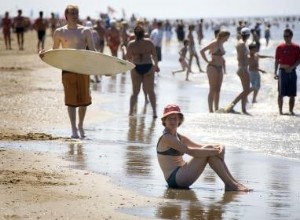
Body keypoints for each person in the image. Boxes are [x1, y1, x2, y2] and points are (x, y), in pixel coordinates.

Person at [157, 104, 251, 191]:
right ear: (164, 120)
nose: (173, 121)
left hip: (182, 174)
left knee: (210, 150)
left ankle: (233, 183)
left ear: (180, 120)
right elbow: (191, 152)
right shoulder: (167, 138)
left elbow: (200, 146)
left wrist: (220, 146)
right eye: (169, 118)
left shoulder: (179, 136)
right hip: (175, 179)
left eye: (175, 118)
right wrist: (215, 151)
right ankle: (230, 184)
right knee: (210, 151)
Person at [45, 4, 96, 138]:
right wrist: (44, 54)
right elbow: (55, 51)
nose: (74, 15)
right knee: (71, 100)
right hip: (67, 69)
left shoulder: (85, 31)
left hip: (83, 69)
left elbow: (93, 52)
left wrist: (103, 67)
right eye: (72, 13)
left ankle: (80, 125)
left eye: (76, 13)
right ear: (66, 15)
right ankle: (73, 128)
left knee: (84, 101)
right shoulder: (59, 32)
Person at [123, 25, 159, 118]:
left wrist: (123, 49)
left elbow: (127, 58)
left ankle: (130, 112)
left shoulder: (131, 44)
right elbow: (155, 55)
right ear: (143, 33)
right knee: (151, 91)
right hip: (148, 66)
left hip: (136, 67)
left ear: (134, 34)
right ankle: (154, 112)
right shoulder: (149, 42)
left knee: (135, 92)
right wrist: (156, 65)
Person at [200, 30, 230, 112]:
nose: (227, 40)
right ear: (223, 36)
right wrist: (207, 61)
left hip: (220, 68)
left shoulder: (221, 44)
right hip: (212, 67)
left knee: (218, 89)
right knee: (212, 89)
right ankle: (210, 110)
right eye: (226, 38)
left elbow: (221, 58)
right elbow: (202, 51)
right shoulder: (214, 43)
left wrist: (224, 68)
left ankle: (216, 108)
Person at [225, 27, 254, 114]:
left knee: (245, 90)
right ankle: (232, 105)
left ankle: (243, 109)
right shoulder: (241, 44)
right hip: (243, 68)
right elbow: (240, 57)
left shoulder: (243, 43)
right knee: (246, 90)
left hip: (243, 68)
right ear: (248, 35)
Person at [274, 28, 300, 115]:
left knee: (292, 94)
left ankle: (291, 111)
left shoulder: (296, 47)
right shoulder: (279, 47)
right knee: (281, 93)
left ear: (291, 36)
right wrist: (275, 72)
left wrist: (292, 67)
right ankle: (280, 112)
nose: (285, 38)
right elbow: (277, 60)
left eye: (287, 36)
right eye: (284, 36)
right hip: (282, 72)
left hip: (292, 72)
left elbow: (299, 60)